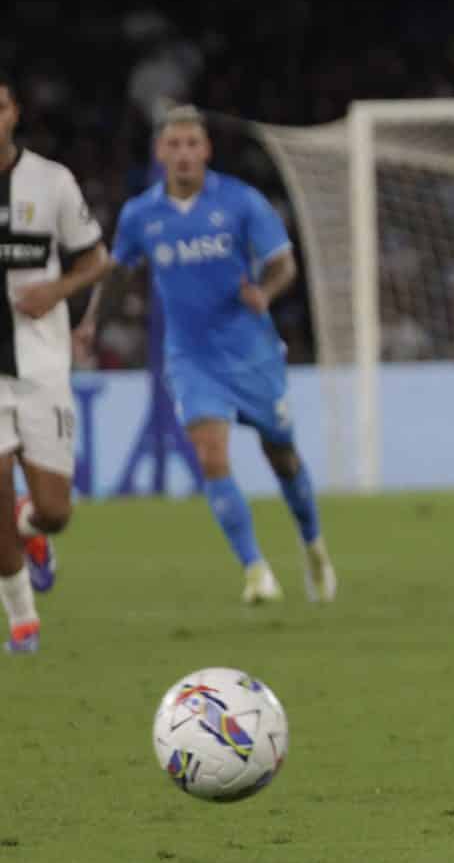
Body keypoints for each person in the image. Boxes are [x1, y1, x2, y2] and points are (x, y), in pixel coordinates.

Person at [88, 107, 335, 605]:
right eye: (174, 144)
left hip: (251, 354)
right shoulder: (140, 214)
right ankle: (256, 571)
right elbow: (118, 272)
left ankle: (313, 547)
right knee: (211, 455)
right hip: (191, 358)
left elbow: (283, 263)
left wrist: (264, 293)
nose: (183, 154)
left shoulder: (240, 201)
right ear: (160, 152)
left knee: (282, 455)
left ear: (206, 150)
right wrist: (91, 323)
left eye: (191, 144)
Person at [0, 75, 112, 653]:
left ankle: (32, 526)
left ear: (14, 112)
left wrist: (56, 291)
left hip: (41, 366)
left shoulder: (51, 182)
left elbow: (96, 260)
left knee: (54, 511)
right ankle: (23, 622)